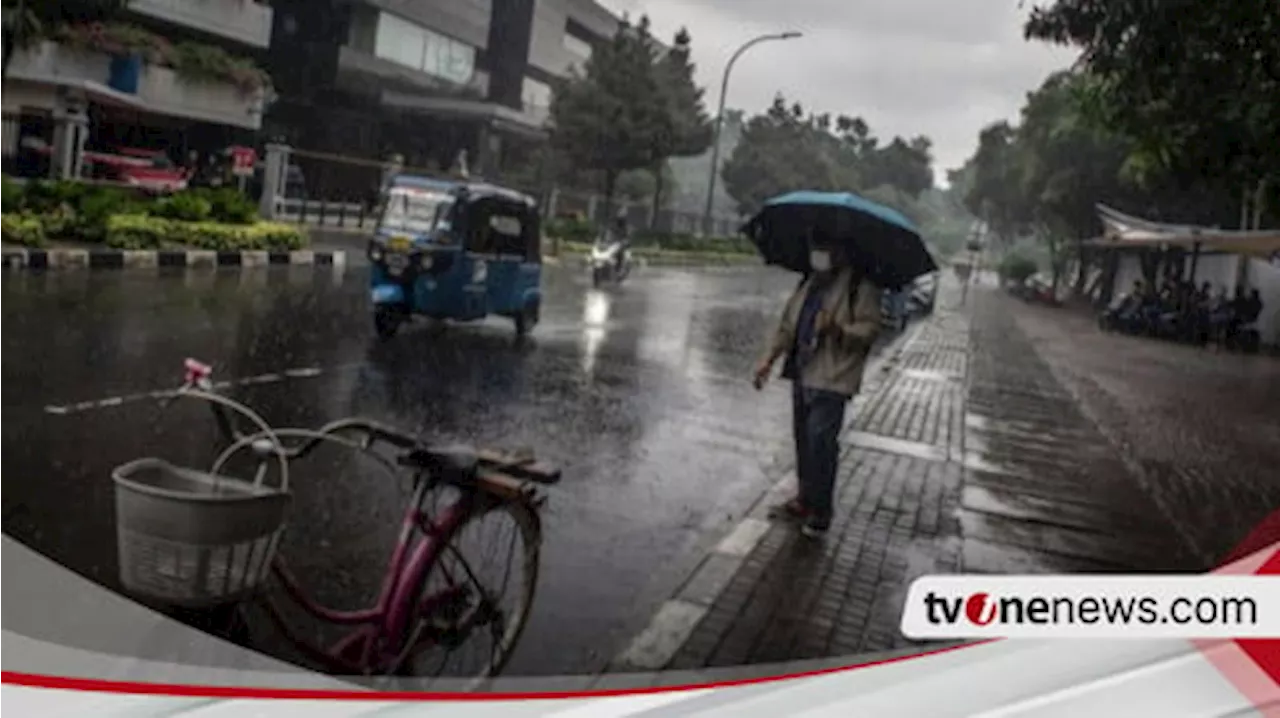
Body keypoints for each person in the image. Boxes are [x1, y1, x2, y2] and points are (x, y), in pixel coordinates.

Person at [752, 235, 883, 538]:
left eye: (824, 248)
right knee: (803, 440)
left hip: (833, 377)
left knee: (821, 444)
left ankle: (821, 512)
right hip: (802, 371)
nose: (817, 254)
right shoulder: (809, 283)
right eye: (815, 247)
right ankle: (804, 499)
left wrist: (837, 330)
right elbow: (788, 326)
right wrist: (768, 359)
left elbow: (870, 329)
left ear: (840, 251)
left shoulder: (859, 286)